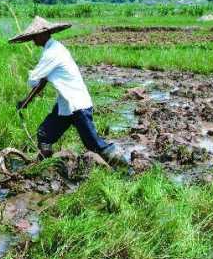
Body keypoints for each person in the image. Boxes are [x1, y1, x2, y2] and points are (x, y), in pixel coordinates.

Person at [9, 16, 128, 167]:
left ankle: (127, 170)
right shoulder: (54, 48)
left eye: (34, 36)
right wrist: (26, 101)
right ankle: (44, 167)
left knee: (95, 145)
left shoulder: (52, 53)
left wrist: (27, 90)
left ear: (43, 34)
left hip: (78, 106)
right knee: (44, 134)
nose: (33, 40)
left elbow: (34, 79)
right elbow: (42, 82)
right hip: (65, 105)